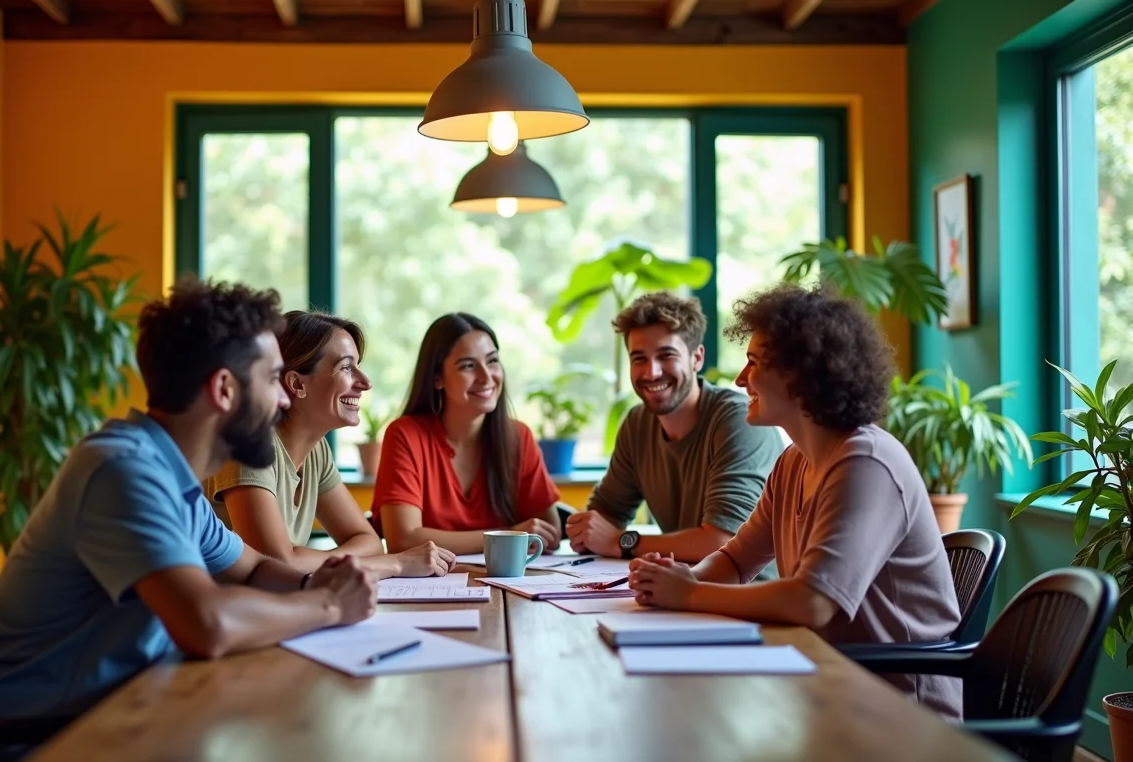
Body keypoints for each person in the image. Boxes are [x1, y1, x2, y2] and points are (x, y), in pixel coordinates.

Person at [0, 279, 377, 725]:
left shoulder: (173, 479)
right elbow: (207, 624)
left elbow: (255, 569)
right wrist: (329, 605)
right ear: (224, 389)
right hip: (39, 741)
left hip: (122, 715)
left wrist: (322, 582)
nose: (281, 400)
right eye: (273, 379)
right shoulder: (123, 471)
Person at [629, 285, 962, 720]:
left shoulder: (866, 462)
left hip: (898, 715)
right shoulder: (794, 463)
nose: (739, 379)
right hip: (828, 685)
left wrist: (689, 593)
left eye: (753, 363)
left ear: (800, 375)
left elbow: (812, 602)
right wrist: (678, 580)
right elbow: (734, 561)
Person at [205, 310, 455, 577]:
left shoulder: (316, 451)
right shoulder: (248, 444)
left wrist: (309, 559)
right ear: (297, 384)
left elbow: (369, 543)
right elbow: (276, 563)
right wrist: (396, 563)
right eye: (346, 367)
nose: (365, 383)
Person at [566, 291, 784, 565]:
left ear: (697, 358)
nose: (651, 372)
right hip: (681, 591)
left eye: (665, 355)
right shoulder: (637, 424)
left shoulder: (738, 420)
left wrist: (620, 541)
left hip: (748, 598)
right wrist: (581, 530)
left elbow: (723, 541)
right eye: (639, 359)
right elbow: (602, 519)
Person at [373, 312, 563, 555]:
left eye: (492, 361)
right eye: (468, 366)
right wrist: (508, 536)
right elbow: (403, 538)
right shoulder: (405, 435)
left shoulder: (518, 436)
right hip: (429, 588)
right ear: (437, 378)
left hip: (507, 587)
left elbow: (550, 532)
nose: (486, 377)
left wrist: (515, 535)